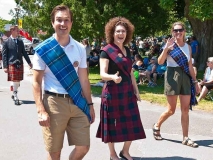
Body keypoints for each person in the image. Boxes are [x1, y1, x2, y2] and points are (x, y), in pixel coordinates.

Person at [32, 5, 95, 160]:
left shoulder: (79, 48)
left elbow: (84, 79)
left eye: (67, 20)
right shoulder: (44, 50)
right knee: (54, 152)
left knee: (83, 147)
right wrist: (41, 110)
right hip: (53, 103)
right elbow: (36, 82)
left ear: (71, 23)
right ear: (53, 22)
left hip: (77, 101)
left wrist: (90, 105)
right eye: (59, 20)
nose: (63, 23)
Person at [96, 17, 146, 160]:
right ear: (112, 33)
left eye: (123, 31)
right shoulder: (106, 51)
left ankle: (125, 151)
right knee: (111, 124)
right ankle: (112, 154)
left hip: (127, 92)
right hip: (112, 92)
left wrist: (136, 91)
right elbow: (102, 74)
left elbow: (130, 72)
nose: (120, 34)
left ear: (127, 33)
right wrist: (112, 77)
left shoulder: (128, 50)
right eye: (118, 31)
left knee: (132, 122)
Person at [153, 22, 199, 148]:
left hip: (185, 76)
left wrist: (195, 82)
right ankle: (157, 125)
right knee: (171, 110)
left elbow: (189, 66)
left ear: (184, 31)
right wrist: (166, 48)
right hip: (172, 76)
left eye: (180, 30)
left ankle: (185, 137)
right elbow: (160, 61)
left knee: (185, 109)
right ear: (172, 32)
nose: (178, 32)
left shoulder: (188, 47)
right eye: (175, 30)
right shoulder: (169, 45)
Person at [2, 25, 33, 105]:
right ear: (12, 31)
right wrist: (5, 66)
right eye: (17, 30)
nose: (18, 32)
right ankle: (15, 95)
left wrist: (29, 62)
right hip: (11, 63)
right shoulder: (6, 42)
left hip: (19, 63)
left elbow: (24, 53)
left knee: (18, 81)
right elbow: (4, 55)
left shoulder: (20, 41)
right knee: (15, 80)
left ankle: (14, 92)